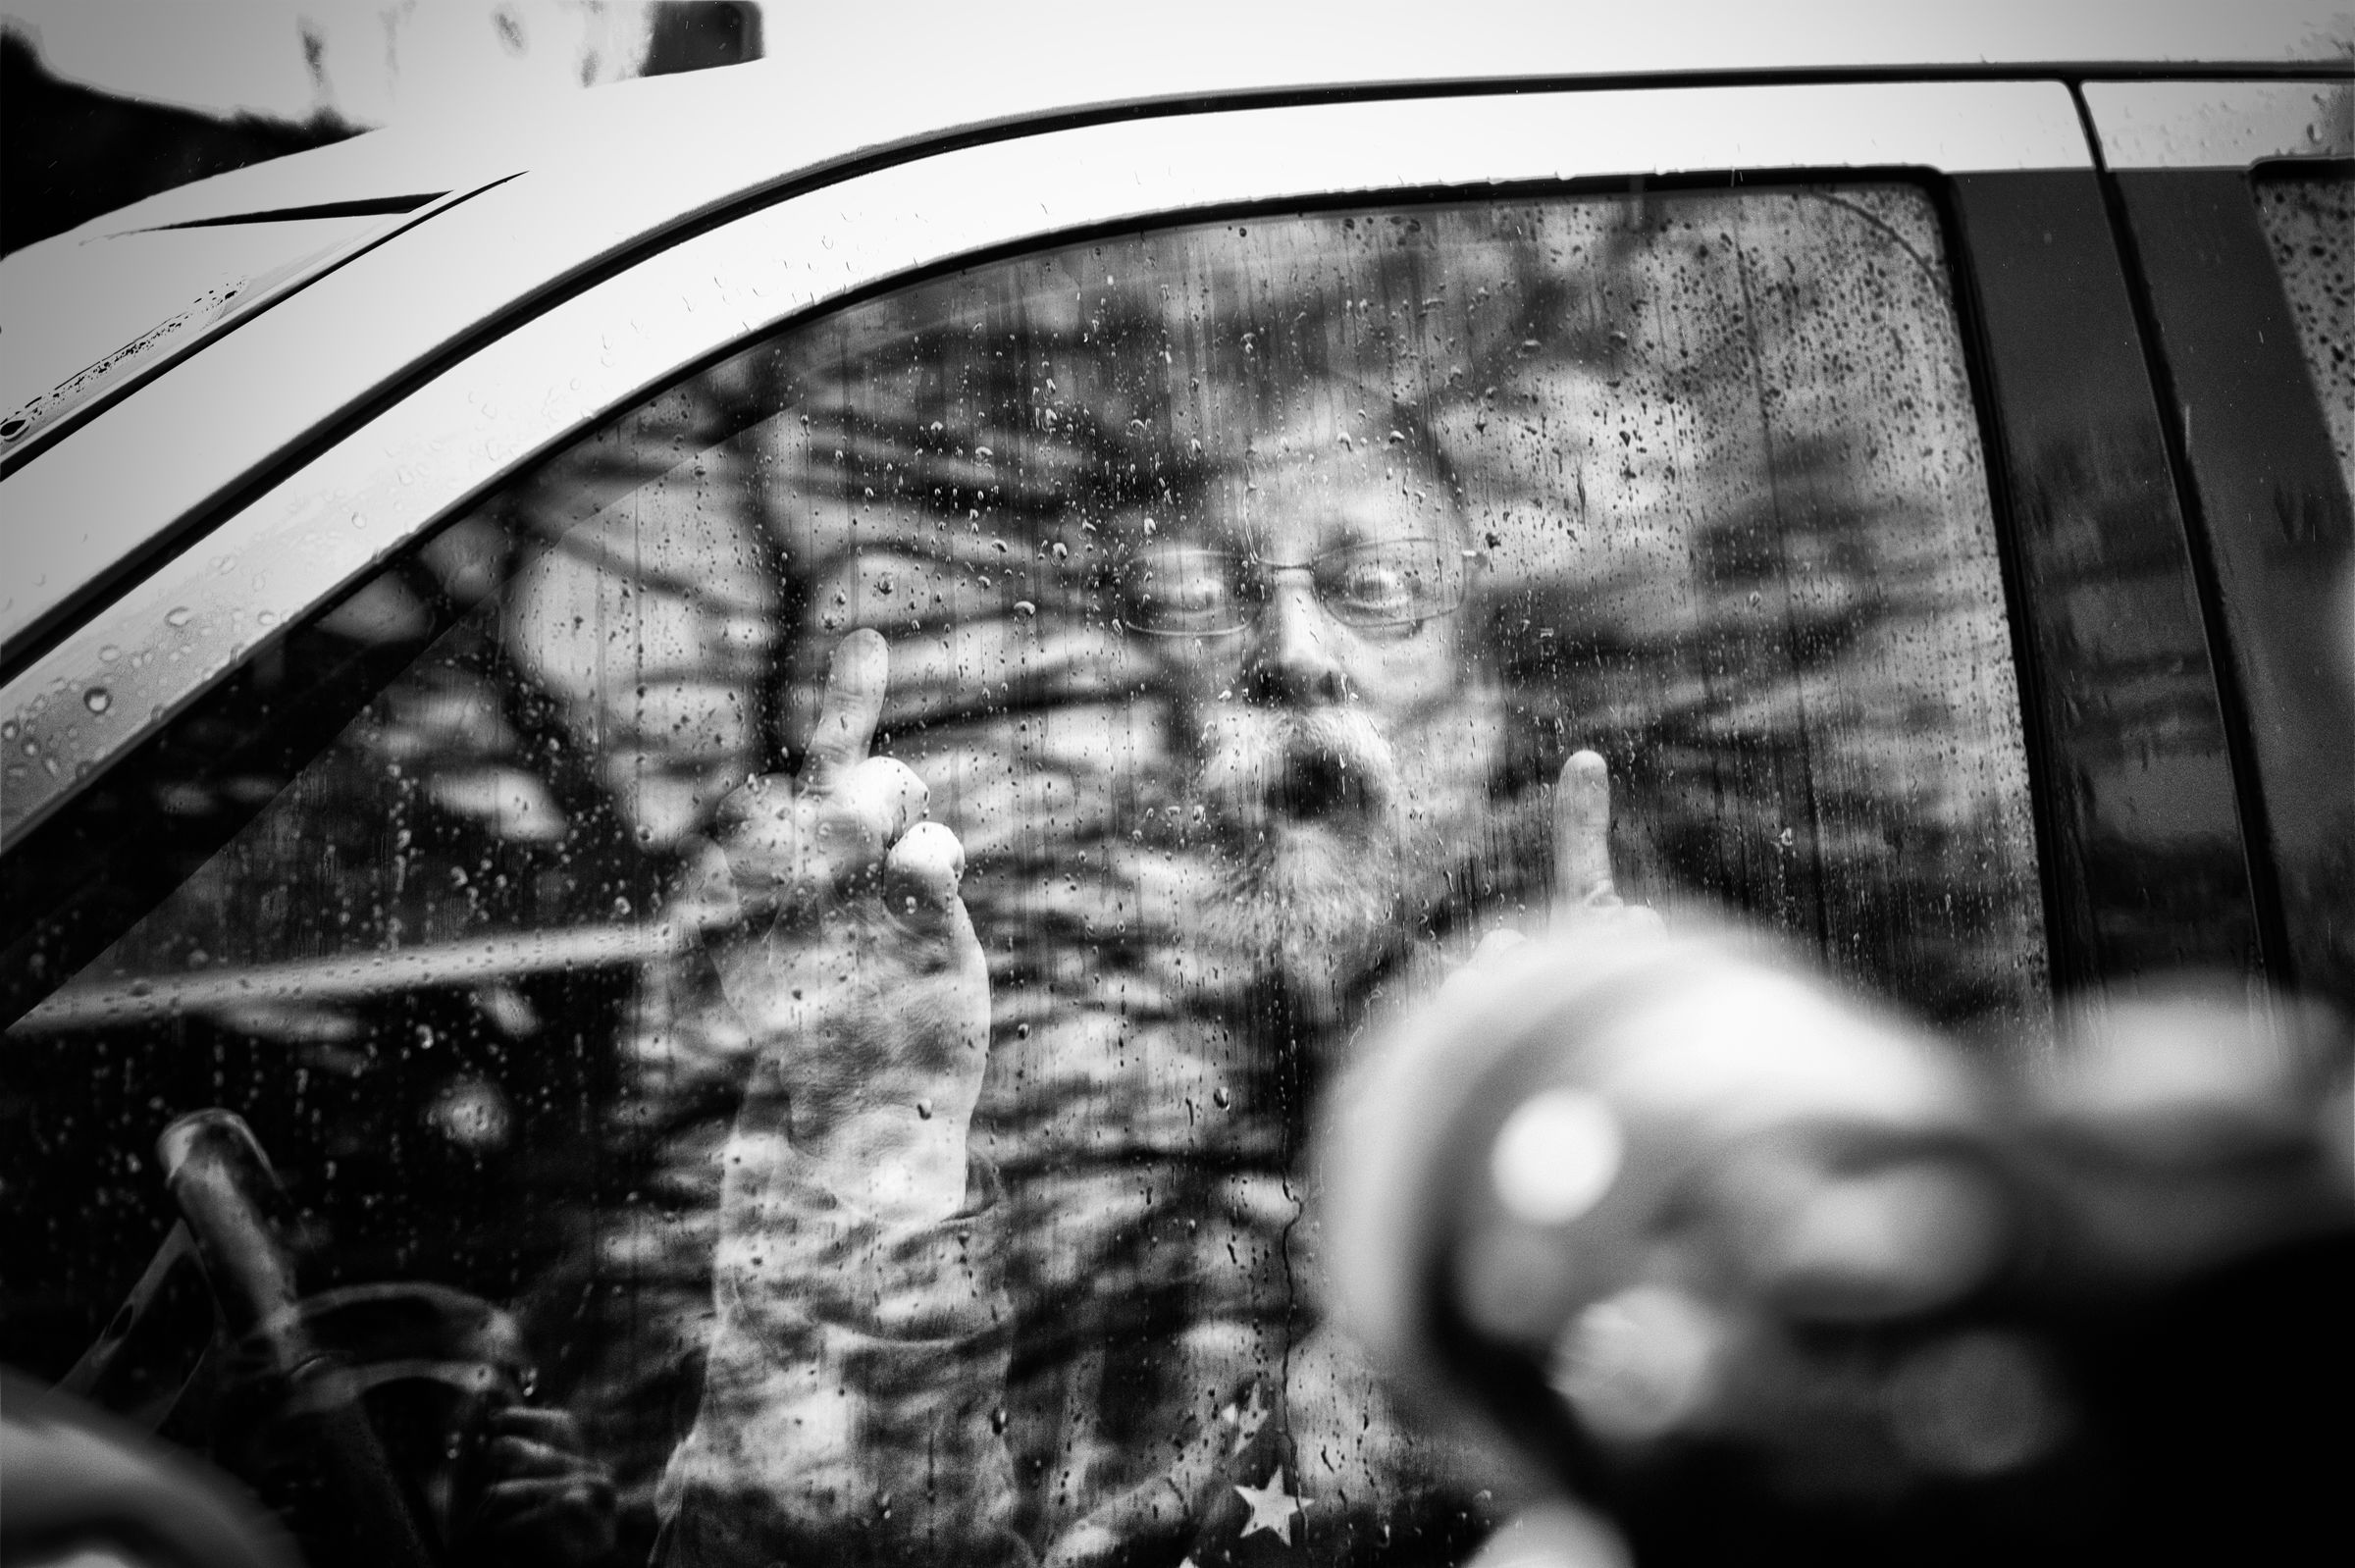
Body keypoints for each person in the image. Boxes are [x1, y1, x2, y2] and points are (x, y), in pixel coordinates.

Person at [651, 394, 1641, 1566]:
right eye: (1192, 595)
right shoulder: (1016, 1089)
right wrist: (877, 1137)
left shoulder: (1640, 1049)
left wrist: (1631, 1179)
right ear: (1135, 698)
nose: (1293, 652)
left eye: (1375, 588)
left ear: (1482, 704)